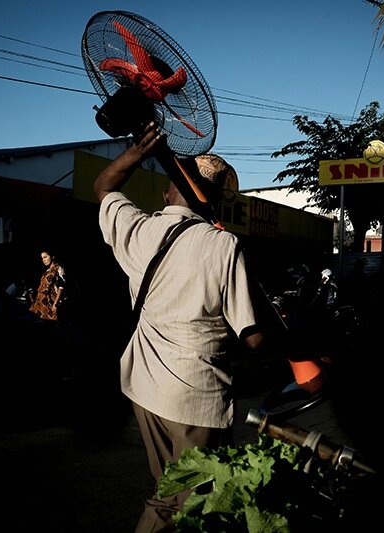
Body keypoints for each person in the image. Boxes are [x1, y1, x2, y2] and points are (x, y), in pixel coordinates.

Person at [94, 121, 265, 532]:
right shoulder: (222, 245)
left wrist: (137, 151)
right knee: (189, 501)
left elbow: (104, 188)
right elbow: (253, 337)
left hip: (146, 388)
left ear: (168, 190)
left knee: (174, 490)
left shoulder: (139, 229)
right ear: (215, 201)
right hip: (196, 395)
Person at [28, 249, 62, 321]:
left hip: (50, 304)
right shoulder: (47, 271)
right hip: (40, 304)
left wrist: (55, 305)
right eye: (42, 258)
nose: (43, 260)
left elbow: (61, 288)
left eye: (45, 257)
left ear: (52, 257)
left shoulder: (58, 269)